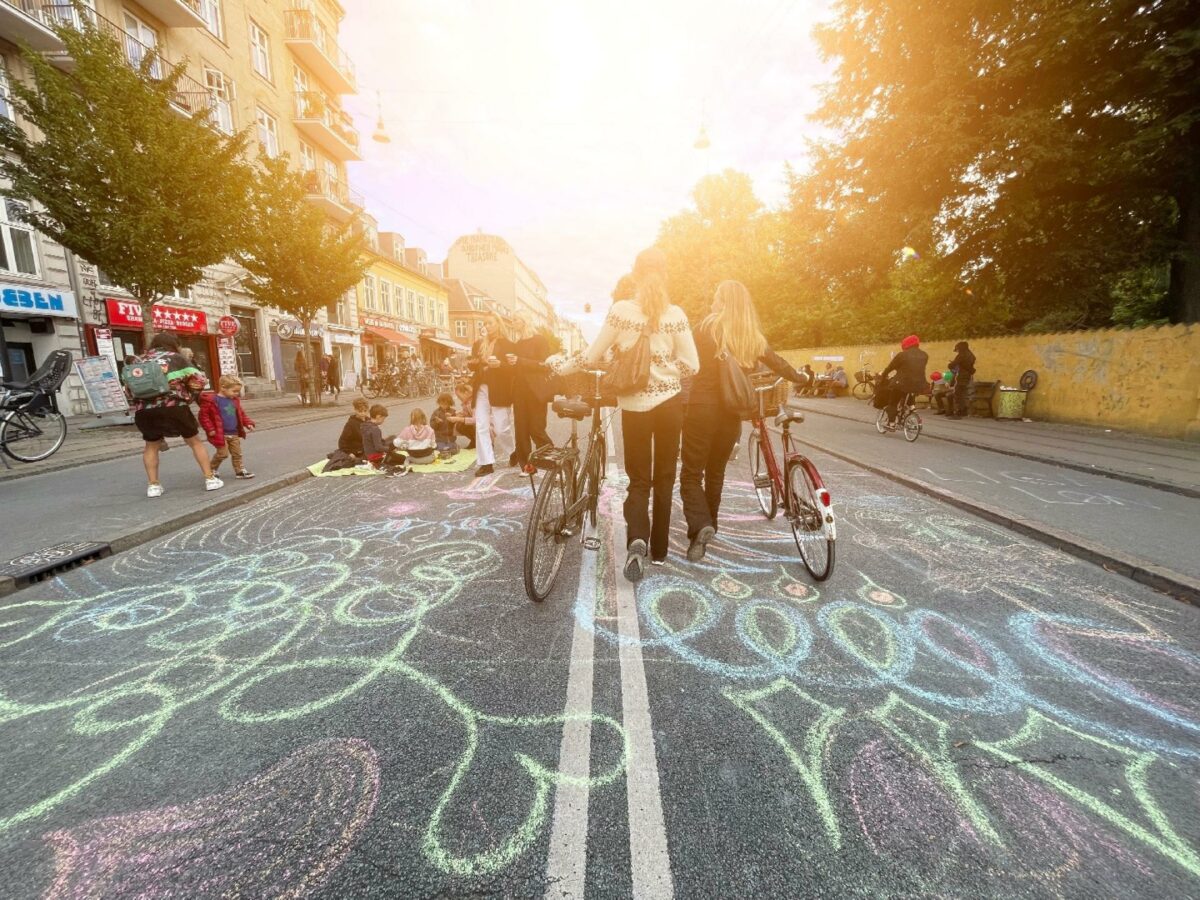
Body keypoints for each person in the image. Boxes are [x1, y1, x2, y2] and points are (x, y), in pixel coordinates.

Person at [550, 247, 699, 581]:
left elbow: (591, 356)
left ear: (635, 273)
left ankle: (636, 540)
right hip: (670, 406)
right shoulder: (675, 314)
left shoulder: (621, 312)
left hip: (635, 407)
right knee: (664, 477)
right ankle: (659, 551)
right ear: (665, 272)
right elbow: (693, 364)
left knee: (639, 479)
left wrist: (561, 367)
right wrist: (663, 367)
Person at [680, 281, 807, 562]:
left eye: (715, 298)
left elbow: (685, 362)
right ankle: (710, 524)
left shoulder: (704, 328)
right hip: (731, 413)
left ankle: (701, 527)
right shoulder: (750, 335)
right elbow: (779, 364)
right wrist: (802, 377)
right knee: (715, 473)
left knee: (691, 474)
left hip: (701, 410)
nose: (712, 303)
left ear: (722, 302)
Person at [125, 332, 223, 498]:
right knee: (194, 442)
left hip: (145, 410)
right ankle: (210, 479)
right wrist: (191, 395)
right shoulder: (176, 358)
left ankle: (153, 486)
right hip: (174, 406)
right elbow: (199, 380)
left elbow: (128, 389)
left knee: (151, 446)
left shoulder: (138, 360)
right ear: (174, 344)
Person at [467, 310, 517, 477]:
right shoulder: (478, 344)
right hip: (481, 387)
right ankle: (486, 463)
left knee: (502, 428)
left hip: (499, 389)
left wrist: (499, 365)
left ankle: (513, 451)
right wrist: (475, 363)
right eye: (485, 323)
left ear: (498, 324)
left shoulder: (507, 344)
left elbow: (512, 369)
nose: (487, 326)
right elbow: (473, 365)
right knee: (481, 425)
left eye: (490, 323)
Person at [509, 313, 553, 472]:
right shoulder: (517, 343)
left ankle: (550, 458)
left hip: (536, 390)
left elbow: (544, 364)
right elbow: (516, 368)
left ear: (524, 321)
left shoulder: (539, 340)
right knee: (521, 428)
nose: (513, 322)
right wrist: (510, 364)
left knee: (536, 427)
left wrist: (520, 361)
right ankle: (527, 465)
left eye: (515, 319)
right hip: (520, 389)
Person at [199, 375, 257, 480]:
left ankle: (239, 471)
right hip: (220, 433)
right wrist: (210, 429)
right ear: (223, 388)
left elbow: (241, 414)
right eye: (234, 391)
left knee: (237, 453)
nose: (236, 394)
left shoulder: (234, 400)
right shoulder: (212, 401)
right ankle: (211, 469)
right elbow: (203, 416)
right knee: (222, 454)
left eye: (238, 391)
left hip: (234, 432)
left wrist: (248, 423)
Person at [878, 335, 929, 428]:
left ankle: (891, 424)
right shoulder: (924, 355)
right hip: (920, 384)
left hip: (902, 383)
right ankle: (912, 408)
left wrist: (883, 376)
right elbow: (914, 368)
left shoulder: (902, 355)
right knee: (909, 391)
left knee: (893, 402)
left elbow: (890, 367)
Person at [391, 408, 437, 472]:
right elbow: (434, 445)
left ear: (411, 418)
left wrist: (404, 444)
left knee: (408, 458)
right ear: (423, 417)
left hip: (414, 458)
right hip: (428, 459)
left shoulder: (407, 430)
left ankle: (408, 462)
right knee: (433, 455)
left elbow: (396, 443)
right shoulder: (429, 430)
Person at [948, 340, 976, 419]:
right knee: (963, 394)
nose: (957, 351)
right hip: (969, 376)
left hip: (961, 376)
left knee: (958, 394)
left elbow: (952, 365)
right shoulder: (971, 355)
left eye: (957, 349)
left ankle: (959, 412)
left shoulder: (961, 355)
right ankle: (963, 411)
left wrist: (951, 364)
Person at [430, 392, 460, 458]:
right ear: (439, 403)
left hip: (450, 438)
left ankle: (453, 448)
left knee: (452, 450)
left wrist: (452, 418)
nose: (444, 406)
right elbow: (432, 425)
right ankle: (444, 450)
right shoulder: (436, 412)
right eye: (442, 404)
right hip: (439, 438)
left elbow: (456, 425)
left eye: (446, 404)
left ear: (450, 403)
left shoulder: (453, 411)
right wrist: (436, 422)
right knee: (440, 449)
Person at [451, 382, 476, 448]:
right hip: (477, 424)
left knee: (461, 424)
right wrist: (454, 414)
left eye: (459, 396)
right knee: (460, 425)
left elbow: (476, 420)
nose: (459, 398)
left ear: (466, 393)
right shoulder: (467, 402)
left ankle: (479, 441)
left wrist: (458, 418)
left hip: (486, 426)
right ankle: (474, 440)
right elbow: (465, 413)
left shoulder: (472, 403)